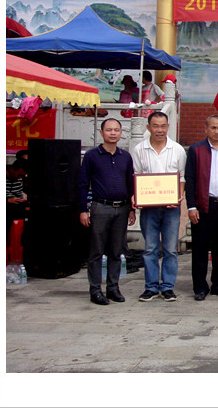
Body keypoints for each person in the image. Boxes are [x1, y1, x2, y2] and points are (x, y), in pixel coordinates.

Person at [78, 118, 136, 305]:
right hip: (100, 207)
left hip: (122, 208)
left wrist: (131, 209)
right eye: (109, 130)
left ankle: (113, 288)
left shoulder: (125, 156)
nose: (113, 133)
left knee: (116, 251)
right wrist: (83, 210)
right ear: (101, 132)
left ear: (121, 133)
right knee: (96, 251)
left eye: (116, 130)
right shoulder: (92, 156)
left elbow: (130, 183)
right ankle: (95, 289)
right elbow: (83, 184)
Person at [132, 112, 186, 302]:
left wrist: (178, 196)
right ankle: (151, 287)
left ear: (168, 127)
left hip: (171, 208)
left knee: (170, 249)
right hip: (149, 208)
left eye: (163, 126)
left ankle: (168, 287)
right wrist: (136, 196)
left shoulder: (177, 150)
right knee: (150, 249)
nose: (160, 130)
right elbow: (136, 175)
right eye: (156, 126)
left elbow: (182, 177)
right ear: (148, 127)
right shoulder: (139, 149)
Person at [185, 115, 218, 301]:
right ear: (206, 129)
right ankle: (200, 287)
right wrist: (191, 206)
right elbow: (190, 179)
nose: (216, 131)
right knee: (200, 248)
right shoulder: (196, 150)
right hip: (202, 206)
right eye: (213, 128)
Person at [6, 160, 28, 237]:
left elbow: (19, 192)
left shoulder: (18, 178)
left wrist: (23, 196)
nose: (20, 177)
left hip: (16, 205)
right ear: (12, 169)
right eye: (19, 175)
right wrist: (7, 200)